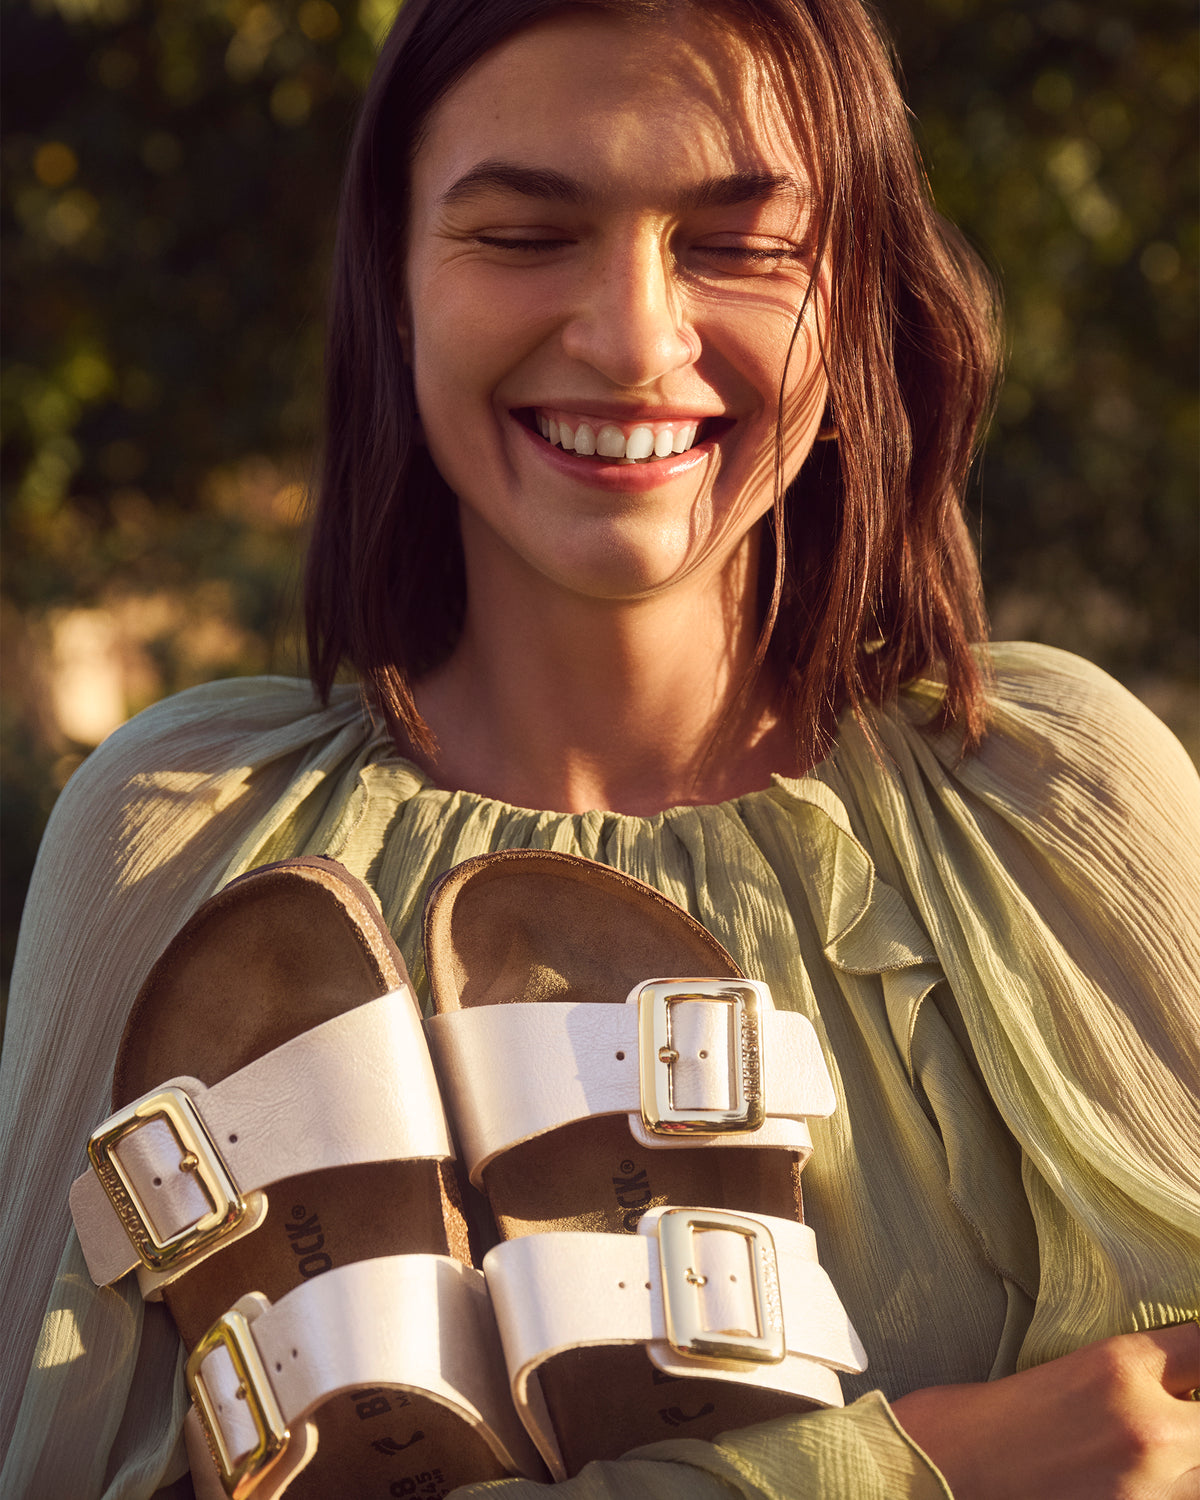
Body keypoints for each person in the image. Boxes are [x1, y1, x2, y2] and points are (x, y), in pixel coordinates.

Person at [1, 0, 1197, 1496]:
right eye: (521, 235)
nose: (635, 340)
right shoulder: (185, 837)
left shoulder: (1051, 804)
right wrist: (915, 1468)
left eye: (743, 245)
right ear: (392, 280)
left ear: (858, 291)